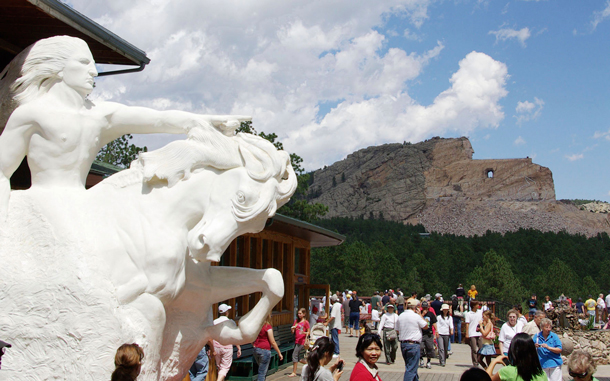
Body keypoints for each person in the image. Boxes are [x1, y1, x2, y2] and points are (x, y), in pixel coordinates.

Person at [0, 36, 248, 222]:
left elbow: (159, 119)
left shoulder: (99, 116)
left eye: (93, 63)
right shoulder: (32, 114)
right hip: (43, 209)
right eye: (84, 62)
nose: (94, 71)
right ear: (58, 68)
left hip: (83, 206)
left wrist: (202, 120)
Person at [395, 298, 427, 381]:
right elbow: (425, 326)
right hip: (413, 344)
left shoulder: (400, 316)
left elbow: (397, 330)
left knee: (411, 367)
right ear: (415, 307)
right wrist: (420, 314)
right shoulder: (416, 316)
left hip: (403, 344)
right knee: (411, 369)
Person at [212, 304, 242, 381]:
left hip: (216, 346)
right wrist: (238, 348)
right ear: (226, 312)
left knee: (219, 367)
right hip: (227, 346)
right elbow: (234, 336)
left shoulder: (214, 322)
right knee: (224, 368)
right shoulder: (231, 322)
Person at [253, 314, 283, 381]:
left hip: (256, 349)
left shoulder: (257, 326)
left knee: (261, 370)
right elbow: (272, 341)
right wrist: (279, 352)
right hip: (265, 350)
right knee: (262, 373)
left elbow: (252, 337)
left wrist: (254, 344)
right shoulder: (267, 327)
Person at [290, 308, 310, 377]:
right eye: (298, 313)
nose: (299, 315)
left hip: (302, 341)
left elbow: (308, 332)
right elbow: (293, 331)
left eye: (300, 313)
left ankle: (294, 372)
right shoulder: (296, 321)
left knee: (294, 355)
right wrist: (293, 329)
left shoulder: (305, 322)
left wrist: (303, 332)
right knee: (297, 357)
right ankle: (308, 363)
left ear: (304, 314)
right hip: (296, 340)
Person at [418, 301, 437, 369]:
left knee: (429, 348)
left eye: (426, 307)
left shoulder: (431, 314)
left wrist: (436, 331)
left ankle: (428, 361)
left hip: (429, 334)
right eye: (424, 307)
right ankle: (421, 360)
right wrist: (422, 314)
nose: (425, 309)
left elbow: (434, 323)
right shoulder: (419, 314)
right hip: (421, 334)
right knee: (420, 347)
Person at [465, 300, 483, 368]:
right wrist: (467, 334)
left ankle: (478, 359)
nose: (478, 306)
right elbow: (467, 324)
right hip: (472, 333)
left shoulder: (480, 312)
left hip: (479, 333)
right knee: (474, 349)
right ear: (473, 306)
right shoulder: (469, 314)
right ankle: (475, 363)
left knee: (481, 347)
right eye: (477, 304)